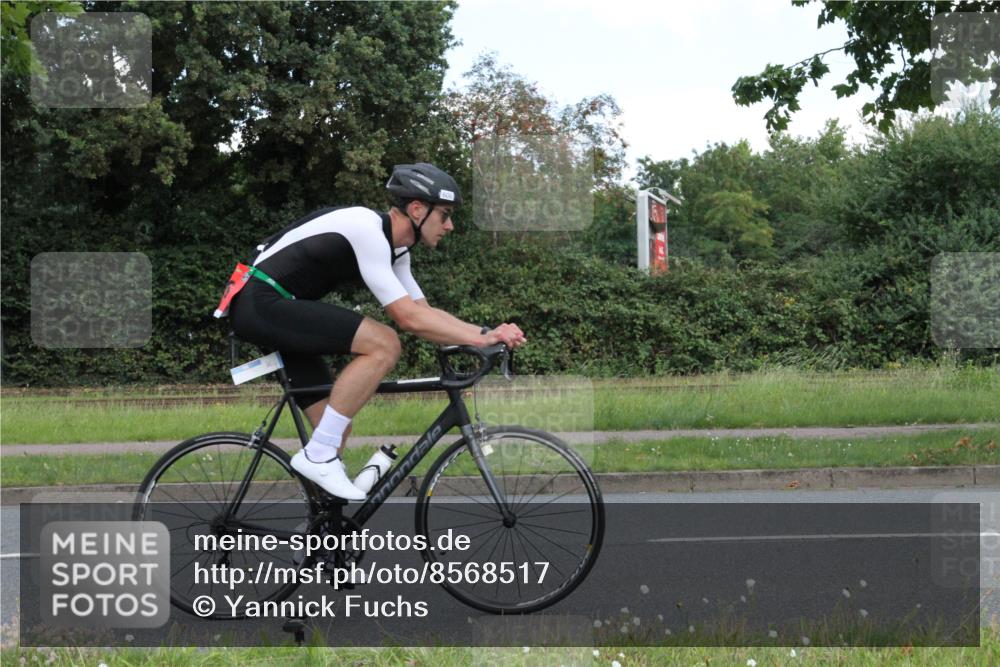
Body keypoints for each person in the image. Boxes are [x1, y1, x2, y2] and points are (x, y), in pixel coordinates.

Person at [227, 163, 527, 500]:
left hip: (278, 307)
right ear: (417, 209)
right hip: (260, 302)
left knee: (335, 425)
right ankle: (317, 456)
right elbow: (407, 319)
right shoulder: (367, 228)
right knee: (384, 343)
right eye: (444, 215)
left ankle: (322, 533)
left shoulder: (397, 252)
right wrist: (481, 337)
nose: (450, 225)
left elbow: (425, 314)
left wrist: (486, 332)